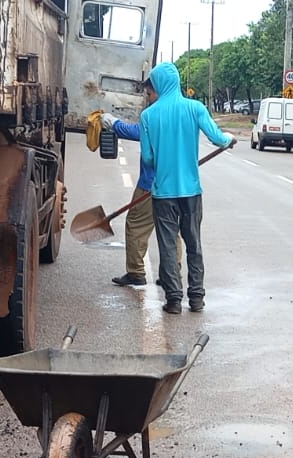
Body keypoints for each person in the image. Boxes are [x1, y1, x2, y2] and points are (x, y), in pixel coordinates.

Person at [139, 61, 234, 314]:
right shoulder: (195, 108)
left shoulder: (148, 116)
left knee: (168, 246)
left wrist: (161, 158)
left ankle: (173, 300)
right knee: (194, 244)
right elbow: (218, 138)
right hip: (191, 191)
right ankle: (196, 298)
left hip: (163, 194)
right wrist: (229, 140)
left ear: (157, 84)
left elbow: (148, 158)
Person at [98, 81, 182, 288]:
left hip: (151, 185)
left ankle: (136, 272)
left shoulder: (156, 113)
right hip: (176, 185)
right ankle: (172, 273)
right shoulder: (181, 112)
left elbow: (138, 132)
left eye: (149, 93)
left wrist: (114, 124)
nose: (148, 97)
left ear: (159, 91)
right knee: (171, 229)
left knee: (136, 224)